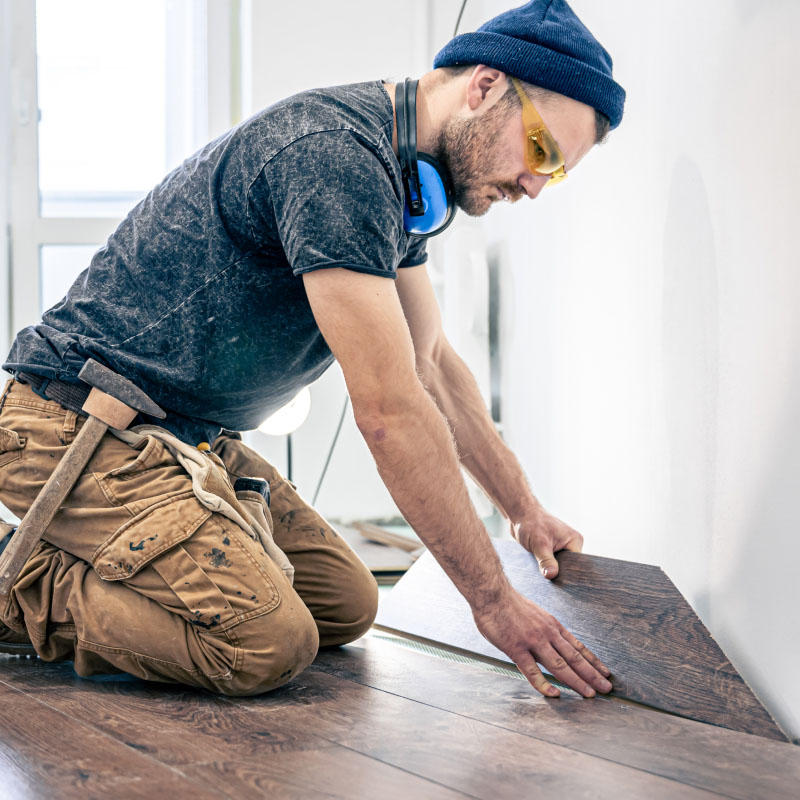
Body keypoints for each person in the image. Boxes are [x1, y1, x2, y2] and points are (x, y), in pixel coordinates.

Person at [0, 0, 625, 698]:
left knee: (344, 605)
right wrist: (494, 602)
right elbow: (390, 410)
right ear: (482, 87)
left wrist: (522, 509)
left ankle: (93, 560)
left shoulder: (400, 178)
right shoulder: (333, 157)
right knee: (265, 644)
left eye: (557, 173)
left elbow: (432, 364)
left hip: (188, 440)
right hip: (73, 426)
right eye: (541, 153)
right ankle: (21, 587)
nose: (536, 187)